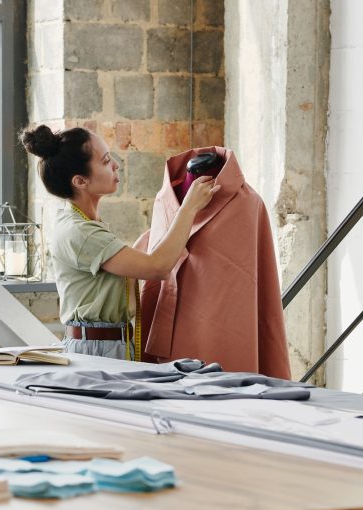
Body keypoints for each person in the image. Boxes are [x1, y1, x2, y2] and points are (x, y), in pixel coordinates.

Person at [20, 124, 219, 360]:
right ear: (80, 181)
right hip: (98, 350)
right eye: (105, 161)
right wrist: (190, 207)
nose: (116, 164)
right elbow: (158, 267)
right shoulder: (81, 231)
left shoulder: (80, 222)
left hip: (107, 344)